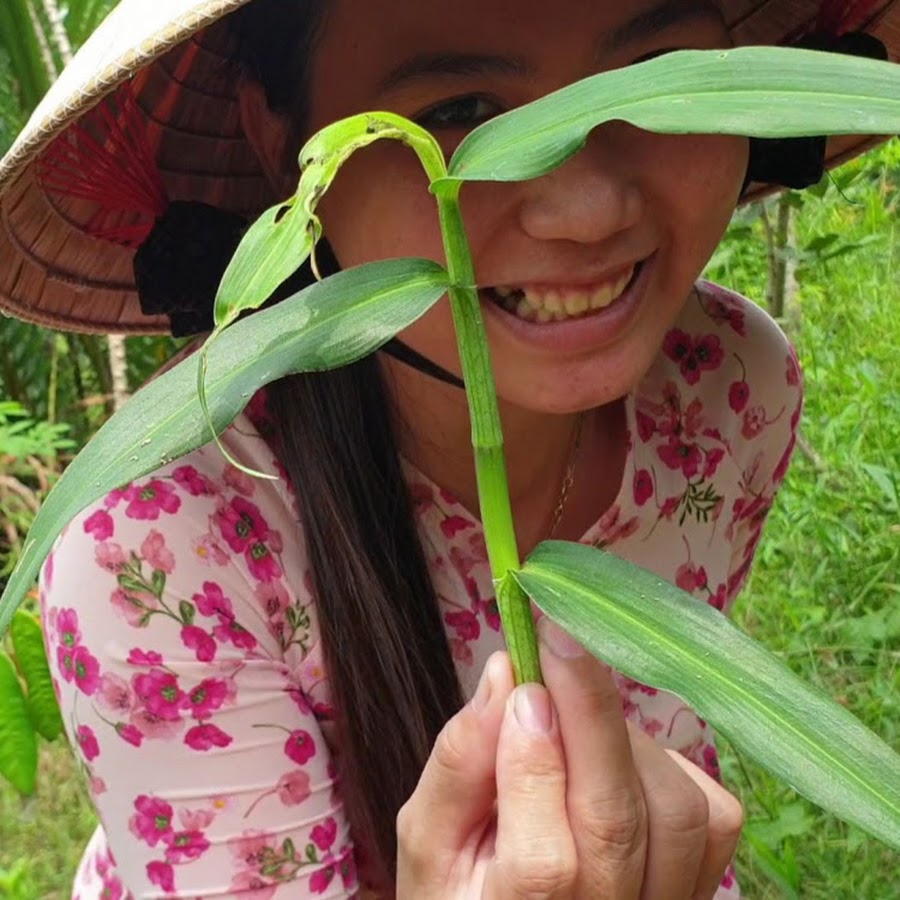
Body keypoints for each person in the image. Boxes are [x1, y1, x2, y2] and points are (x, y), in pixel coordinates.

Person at [0, 0, 895, 896]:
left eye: (651, 79)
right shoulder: (159, 548)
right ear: (284, 141)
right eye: (459, 111)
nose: (588, 208)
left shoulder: (728, 387)